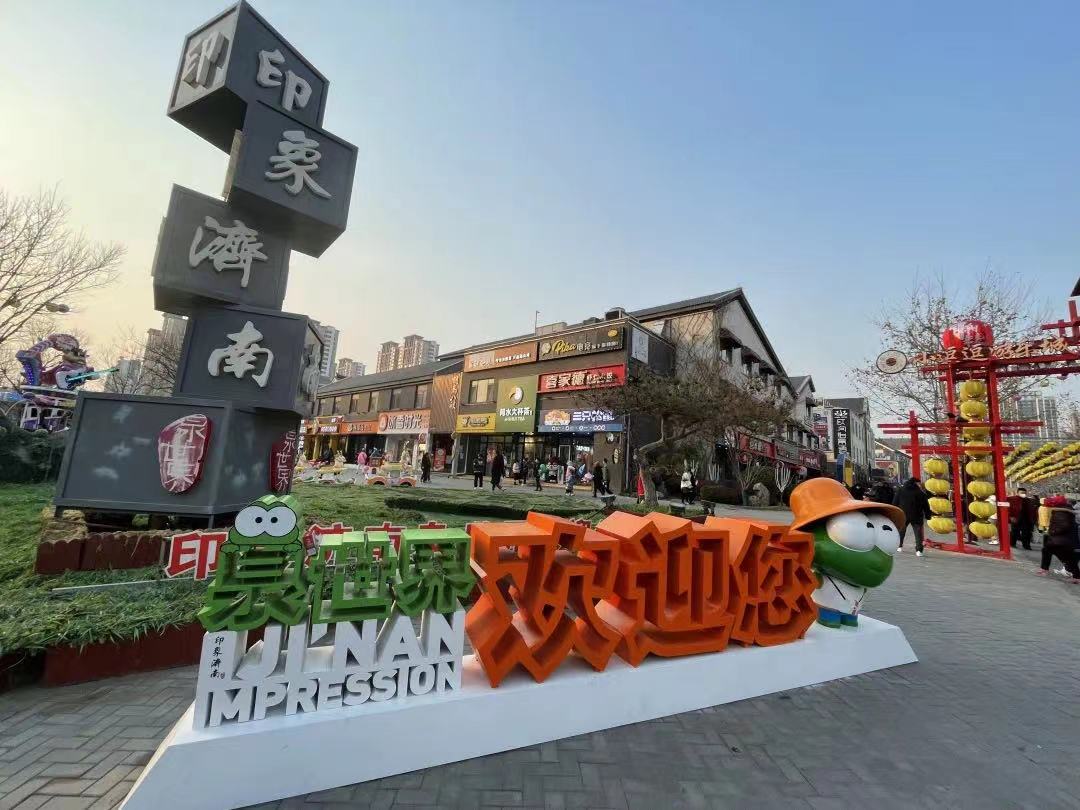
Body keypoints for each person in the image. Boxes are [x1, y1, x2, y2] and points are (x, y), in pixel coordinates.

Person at [1037, 495, 1080, 582]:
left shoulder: (1061, 511)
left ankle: (1076, 576)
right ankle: (1045, 569)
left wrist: (1052, 532)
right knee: (1048, 551)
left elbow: (1064, 525)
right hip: (1061, 539)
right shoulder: (1062, 510)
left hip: (1059, 539)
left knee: (1067, 557)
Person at [892, 477, 932, 556]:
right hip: (917, 515)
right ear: (915, 483)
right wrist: (928, 515)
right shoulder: (920, 492)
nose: (920, 485)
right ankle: (919, 551)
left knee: (901, 531)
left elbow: (895, 502)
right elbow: (926, 505)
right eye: (919, 483)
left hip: (903, 514)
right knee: (918, 533)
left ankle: (899, 546)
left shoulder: (901, 490)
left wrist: (894, 513)